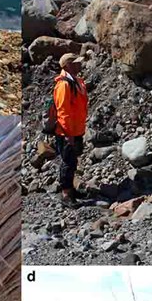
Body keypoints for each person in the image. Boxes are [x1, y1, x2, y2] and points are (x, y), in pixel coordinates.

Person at [53, 53, 88, 207]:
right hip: (67, 132)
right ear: (67, 65)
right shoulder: (64, 85)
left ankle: (71, 189)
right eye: (76, 63)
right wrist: (68, 135)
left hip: (76, 129)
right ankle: (66, 194)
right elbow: (63, 112)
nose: (80, 65)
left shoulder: (76, 82)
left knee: (73, 161)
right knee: (68, 162)